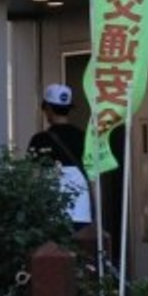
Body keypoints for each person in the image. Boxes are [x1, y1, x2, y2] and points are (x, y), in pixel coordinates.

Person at [28, 83, 92, 226]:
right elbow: (92, 174)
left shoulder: (39, 140)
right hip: (81, 209)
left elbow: (33, 175)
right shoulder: (83, 137)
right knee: (77, 248)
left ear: (48, 109)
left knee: (51, 248)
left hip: (50, 212)